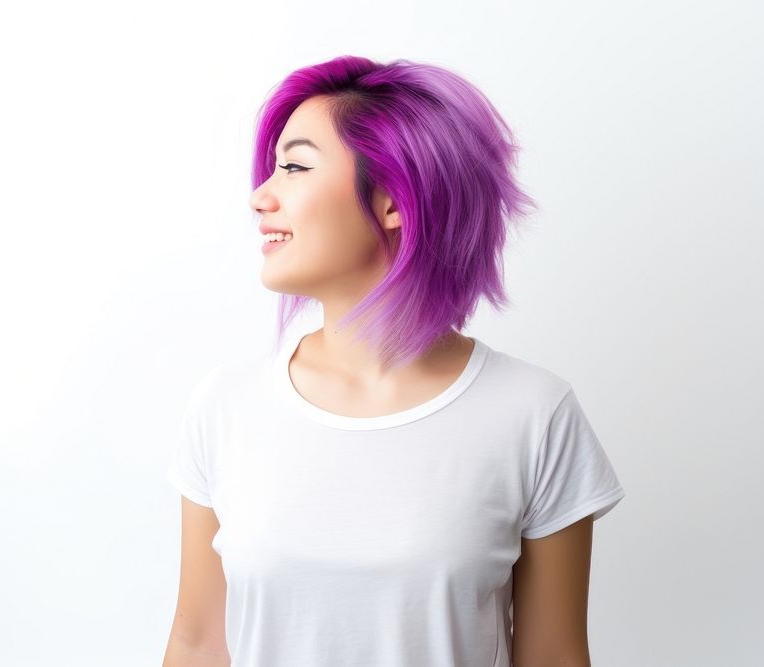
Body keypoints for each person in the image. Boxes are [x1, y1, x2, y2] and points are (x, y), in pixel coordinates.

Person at [163, 55, 626, 667]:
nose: (260, 197)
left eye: (294, 166)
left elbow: (553, 656)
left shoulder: (534, 415)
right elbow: (198, 642)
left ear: (393, 201)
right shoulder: (226, 407)